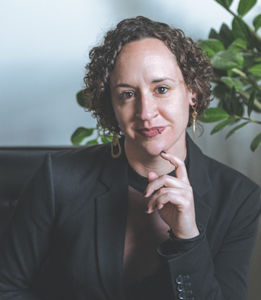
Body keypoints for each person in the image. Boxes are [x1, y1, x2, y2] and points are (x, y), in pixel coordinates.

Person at [0, 16, 260, 300]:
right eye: (127, 94)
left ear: (192, 93)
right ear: (111, 106)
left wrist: (189, 239)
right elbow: (7, 288)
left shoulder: (239, 199)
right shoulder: (58, 178)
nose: (146, 112)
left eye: (161, 89)